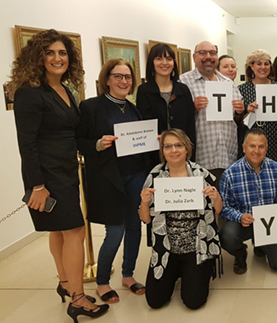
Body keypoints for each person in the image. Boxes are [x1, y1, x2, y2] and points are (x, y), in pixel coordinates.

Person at [9, 28, 108, 322]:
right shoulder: (29, 93)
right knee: (75, 232)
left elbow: (72, 134)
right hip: (47, 175)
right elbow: (26, 143)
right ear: (37, 57)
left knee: (59, 231)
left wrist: (97, 144)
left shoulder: (66, 89)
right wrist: (37, 185)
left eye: (62, 52)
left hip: (66, 169)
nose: (57, 58)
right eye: (49, 52)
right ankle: (78, 299)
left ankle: (66, 284)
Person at [76, 59, 150, 302]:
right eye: (118, 76)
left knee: (134, 226)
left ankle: (128, 275)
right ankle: (103, 282)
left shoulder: (132, 107)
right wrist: (98, 144)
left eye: (127, 77)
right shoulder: (90, 107)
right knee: (115, 231)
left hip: (136, 174)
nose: (123, 81)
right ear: (106, 79)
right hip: (110, 179)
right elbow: (79, 143)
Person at [139, 129, 222, 309]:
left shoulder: (201, 174)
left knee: (193, 302)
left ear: (186, 149)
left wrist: (216, 197)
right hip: (166, 248)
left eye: (178, 145)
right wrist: (144, 203)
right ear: (162, 151)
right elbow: (145, 219)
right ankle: (175, 271)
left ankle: (195, 269)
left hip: (196, 246)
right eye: (168, 146)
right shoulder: (154, 176)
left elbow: (218, 210)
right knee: (154, 301)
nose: (174, 150)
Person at [219, 128, 277, 274]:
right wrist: (239, 216)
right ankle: (240, 254)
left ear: (266, 148)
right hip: (243, 223)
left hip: (268, 225)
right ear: (244, 148)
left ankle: (261, 245)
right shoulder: (230, 174)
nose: (256, 150)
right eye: (252, 146)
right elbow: (225, 207)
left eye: (261, 146)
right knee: (227, 236)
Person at [180, 41, 245, 186]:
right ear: (194, 57)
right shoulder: (184, 82)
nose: (208, 56)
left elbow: (238, 119)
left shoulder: (228, 82)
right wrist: (192, 108)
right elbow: (176, 117)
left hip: (228, 155)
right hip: (200, 157)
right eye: (203, 53)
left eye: (212, 53)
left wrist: (240, 111)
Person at [137, 43, 195, 166]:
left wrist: (190, 154)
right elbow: (143, 123)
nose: (164, 63)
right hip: (155, 155)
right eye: (159, 58)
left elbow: (190, 125)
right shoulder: (144, 91)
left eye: (169, 59)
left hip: (182, 154)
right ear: (151, 63)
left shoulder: (183, 90)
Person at [238, 49, 277, 170]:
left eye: (266, 64)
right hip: (252, 141)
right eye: (259, 63)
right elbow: (238, 120)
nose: (263, 67)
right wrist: (248, 111)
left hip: (275, 140)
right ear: (251, 66)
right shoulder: (242, 89)